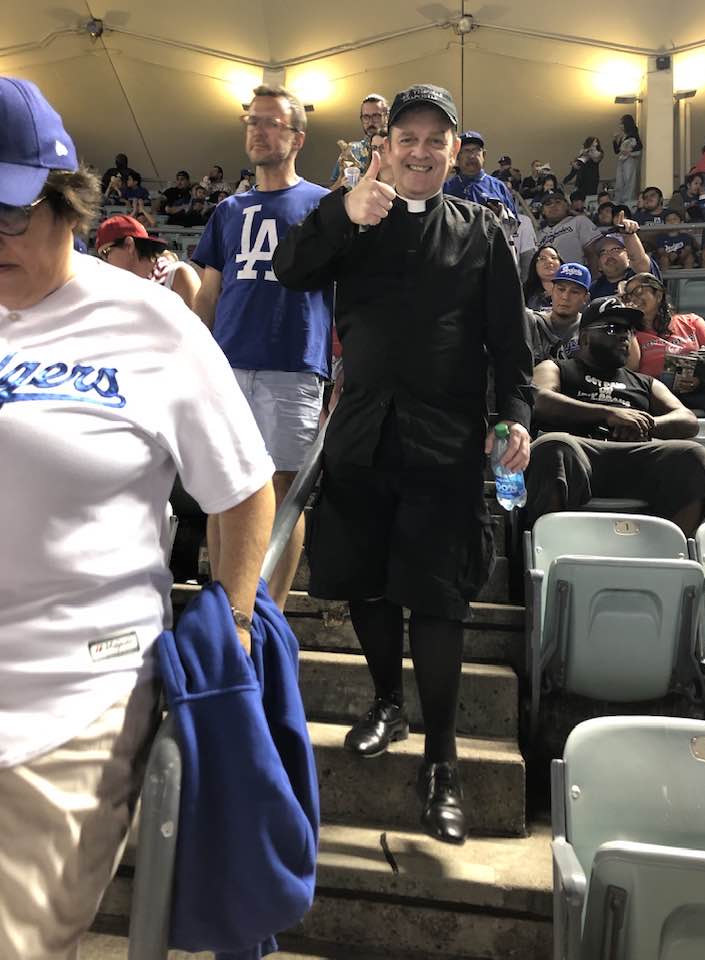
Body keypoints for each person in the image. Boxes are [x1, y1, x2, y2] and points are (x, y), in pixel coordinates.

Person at [0, 76, 276, 960]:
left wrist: (231, 617)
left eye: (8, 216)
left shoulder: (148, 324)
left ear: (65, 204)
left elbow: (242, 488)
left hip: (66, 698)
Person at [273, 83, 533, 846]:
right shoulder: (357, 216)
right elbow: (292, 269)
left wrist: (515, 416)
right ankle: (386, 700)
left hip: (447, 442)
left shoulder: (482, 232)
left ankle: (444, 762)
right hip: (360, 436)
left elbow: (511, 350)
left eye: (436, 141)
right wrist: (338, 210)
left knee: (440, 601)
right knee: (365, 583)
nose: (421, 152)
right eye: (407, 139)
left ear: (456, 154)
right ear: (385, 149)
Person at [193, 82, 333, 610]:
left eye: (271, 121)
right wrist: (193, 356)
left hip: (293, 364)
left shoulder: (324, 205)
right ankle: (224, 604)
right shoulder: (228, 209)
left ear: (297, 137)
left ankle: (265, 611)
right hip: (227, 364)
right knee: (222, 487)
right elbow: (210, 291)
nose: (257, 128)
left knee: (281, 494)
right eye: (252, 120)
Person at [527, 297, 705, 535]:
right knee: (553, 446)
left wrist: (645, 424)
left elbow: (687, 420)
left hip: (633, 457)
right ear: (584, 337)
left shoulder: (646, 383)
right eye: (612, 328)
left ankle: (668, 552)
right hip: (580, 454)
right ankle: (550, 544)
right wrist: (609, 414)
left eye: (629, 330)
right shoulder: (555, 367)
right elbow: (539, 399)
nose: (624, 336)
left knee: (694, 455)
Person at [624, 272, 705, 414]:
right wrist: (626, 321)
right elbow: (631, 368)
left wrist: (699, 379)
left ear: (658, 295)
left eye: (638, 291)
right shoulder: (631, 333)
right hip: (656, 397)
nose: (633, 298)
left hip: (700, 391)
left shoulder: (691, 321)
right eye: (628, 295)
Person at [95, 214, 201, 310]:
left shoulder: (176, 276)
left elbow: (197, 329)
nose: (105, 262)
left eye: (106, 253)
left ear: (129, 245)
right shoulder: (116, 289)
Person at [526, 262, 591, 362]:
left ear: (585, 299)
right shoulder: (531, 322)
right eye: (561, 289)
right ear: (552, 291)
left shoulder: (590, 329)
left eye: (574, 292)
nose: (565, 297)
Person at [443, 130, 517, 215]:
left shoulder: (499, 188)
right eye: (466, 151)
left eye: (475, 150)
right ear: (457, 157)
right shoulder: (446, 189)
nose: (471, 156)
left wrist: (499, 216)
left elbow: (513, 223)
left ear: (484, 155)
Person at [589, 217, 660, 298]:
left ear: (628, 257)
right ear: (599, 266)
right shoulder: (594, 289)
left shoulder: (638, 276)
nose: (609, 255)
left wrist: (628, 234)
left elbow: (639, 261)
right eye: (603, 252)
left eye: (615, 249)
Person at [329, 93, 389, 184]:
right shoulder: (350, 150)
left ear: (387, 117)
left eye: (376, 116)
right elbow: (330, 190)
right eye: (366, 117)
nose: (370, 122)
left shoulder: (397, 149)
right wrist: (340, 183)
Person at [538, 188, 601, 268]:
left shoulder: (579, 221)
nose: (553, 206)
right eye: (548, 204)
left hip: (577, 277)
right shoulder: (539, 235)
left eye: (558, 202)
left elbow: (593, 252)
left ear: (567, 206)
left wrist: (594, 278)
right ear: (543, 210)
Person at [613, 114, 643, 207]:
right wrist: (615, 140)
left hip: (629, 161)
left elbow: (639, 148)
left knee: (629, 181)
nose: (620, 126)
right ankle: (619, 201)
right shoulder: (623, 136)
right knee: (620, 182)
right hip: (622, 161)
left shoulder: (633, 135)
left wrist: (629, 153)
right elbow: (617, 151)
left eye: (621, 124)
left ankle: (627, 202)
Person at [523, 244, 564, 309]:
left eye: (553, 258)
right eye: (542, 259)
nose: (549, 261)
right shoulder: (524, 292)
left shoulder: (572, 288)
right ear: (534, 266)